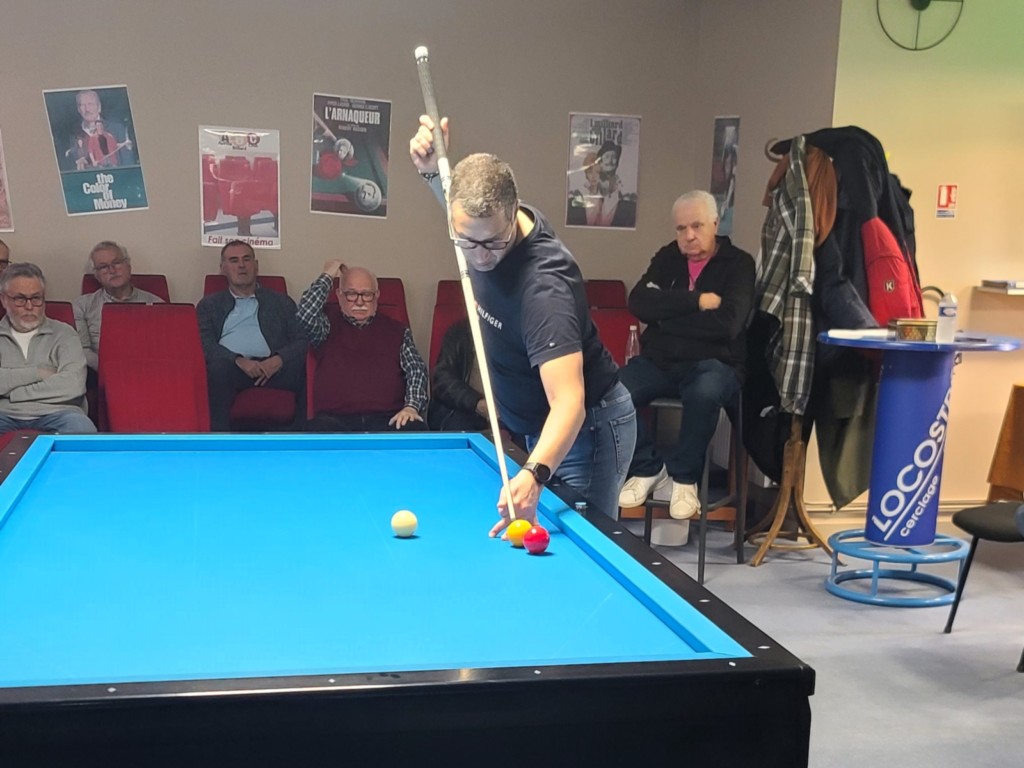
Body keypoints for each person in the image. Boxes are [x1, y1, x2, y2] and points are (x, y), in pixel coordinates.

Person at [410, 116, 636, 535]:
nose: (479, 256)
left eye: (492, 243)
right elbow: (466, 214)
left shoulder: (544, 290)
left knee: (576, 540)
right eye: (466, 242)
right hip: (537, 422)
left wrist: (533, 473)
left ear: (513, 214)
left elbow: (569, 401)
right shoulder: (481, 225)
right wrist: (431, 171)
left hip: (586, 430)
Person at [617, 191, 755, 520]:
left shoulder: (739, 264)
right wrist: (695, 302)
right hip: (661, 361)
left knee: (704, 392)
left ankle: (684, 480)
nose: (688, 235)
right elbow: (639, 303)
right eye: (681, 228)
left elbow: (728, 324)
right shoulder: (669, 257)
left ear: (715, 224)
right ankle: (648, 469)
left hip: (717, 363)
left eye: (696, 226)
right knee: (610, 391)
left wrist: (666, 318)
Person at [297, 260, 427, 432]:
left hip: (388, 419)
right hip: (334, 421)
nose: (359, 302)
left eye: (366, 294)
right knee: (315, 433)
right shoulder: (325, 326)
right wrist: (329, 274)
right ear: (339, 295)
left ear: (377, 295)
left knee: (416, 429)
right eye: (351, 294)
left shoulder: (397, 330)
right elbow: (305, 313)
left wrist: (411, 407)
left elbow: (417, 370)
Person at [196, 240, 306, 431]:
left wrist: (278, 360)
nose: (241, 265)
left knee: (307, 370)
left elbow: (301, 340)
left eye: (246, 259)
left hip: (273, 368)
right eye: (234, 260)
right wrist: (238, 360)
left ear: (256, 266)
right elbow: (204, 343)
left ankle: (301, 440)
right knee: (217, 370)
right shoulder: (209, 305)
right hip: (232, 368)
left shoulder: (281, 302)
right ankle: (219, 441)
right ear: (223, 268)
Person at [0, 262, 96, 435]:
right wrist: (38, 373)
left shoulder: (65, 334)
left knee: (83, 429)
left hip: (60, 412)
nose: (29, 307)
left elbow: (73, 385)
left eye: (36, 298)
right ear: (4, 299)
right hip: (4, 414)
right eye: (20, 299)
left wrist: (11, 393)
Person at [73, 241, 164, 379]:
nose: (112, 270)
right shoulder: (82, 305)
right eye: (103, 267)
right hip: (101, 374)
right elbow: (82, 349)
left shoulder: (156, 304)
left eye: (116, 263)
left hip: (148, 375)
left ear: (128, 265)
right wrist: (111, 370)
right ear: (96, 275)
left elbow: (162, 350)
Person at [64, 89, 136, 172]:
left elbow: (128, 165)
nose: (87, 109)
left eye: (90, 104)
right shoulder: (73, 134)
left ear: (99, 107)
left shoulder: (117, 129)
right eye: (82, 105)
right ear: (78, 109)